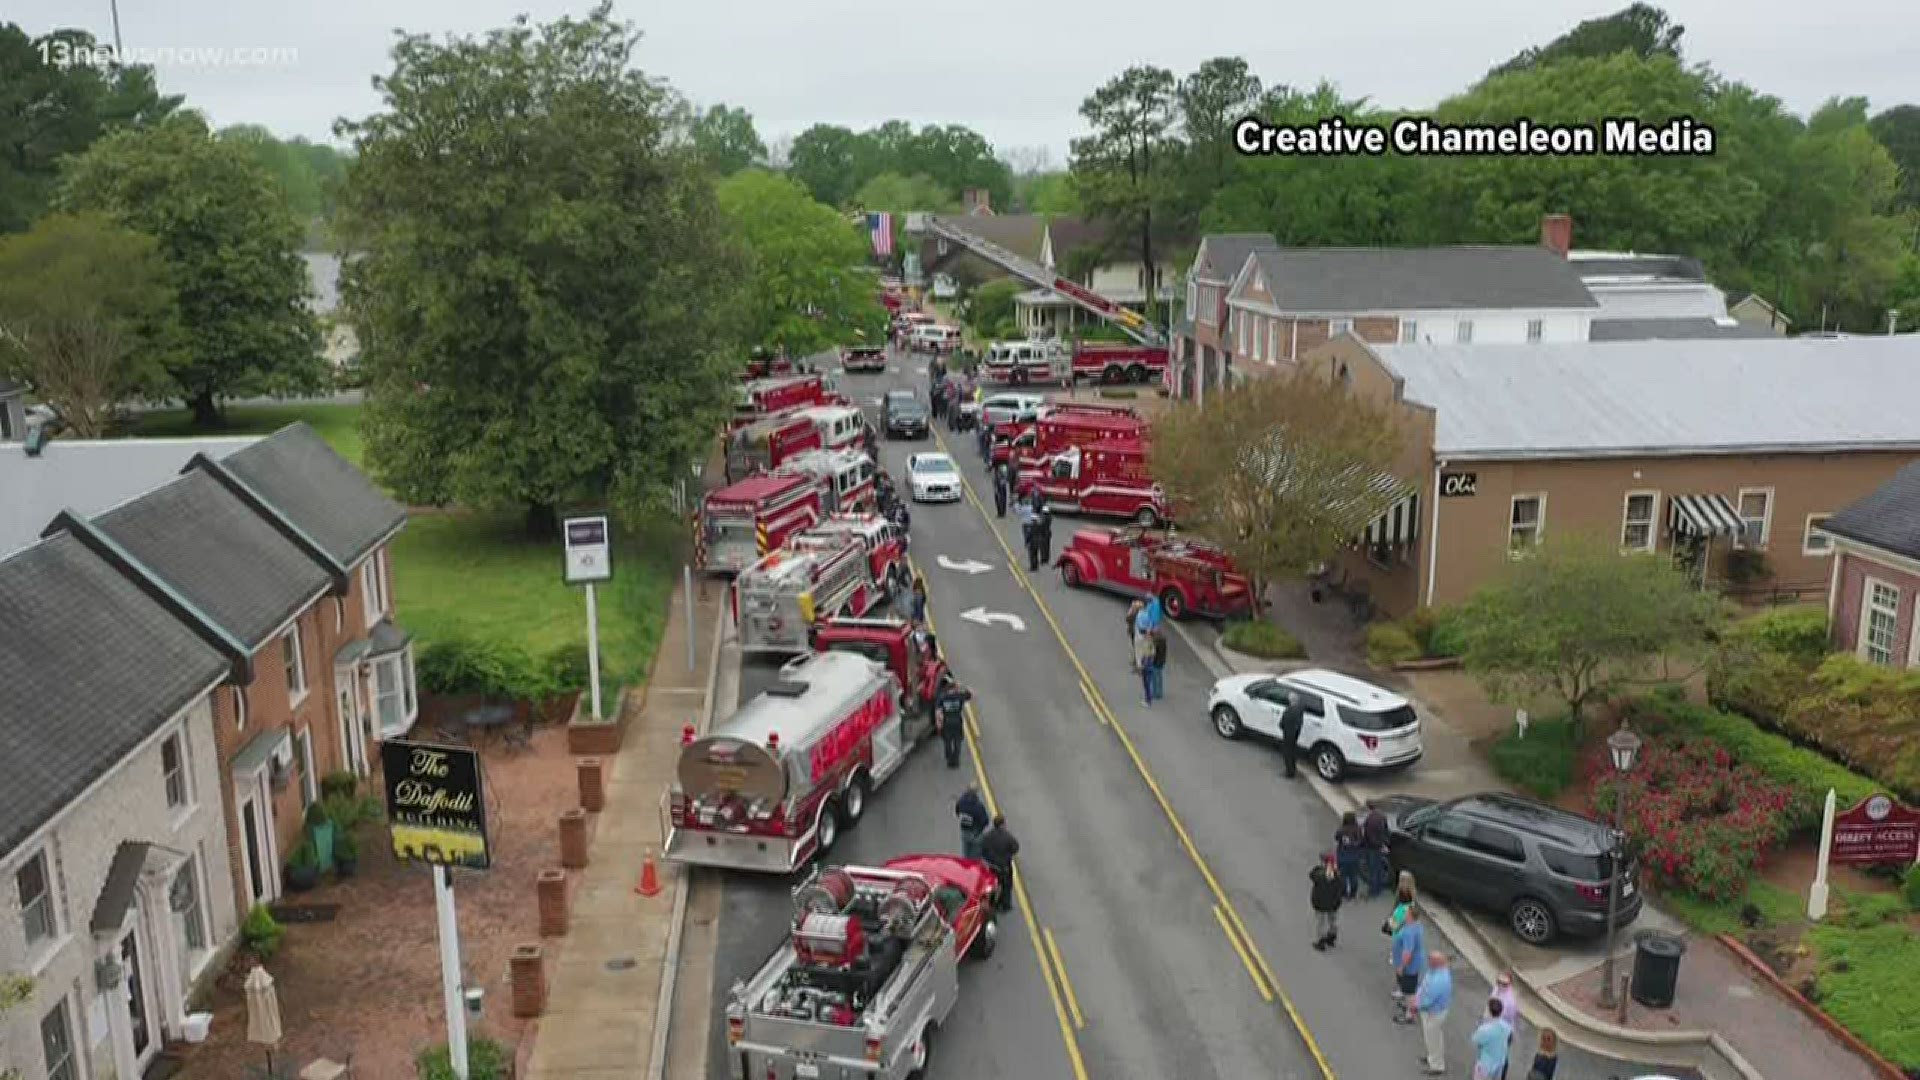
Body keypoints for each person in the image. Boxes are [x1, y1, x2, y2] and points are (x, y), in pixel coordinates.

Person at [1414, 949, 1452, 1075]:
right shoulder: (1434, 971)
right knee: (1433, 1038)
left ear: (1437, 963)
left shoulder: (1439, 980)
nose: (1428, 962)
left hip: (1434, 1013)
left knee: (1433, 1038)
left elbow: (1428, 1000)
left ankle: (1437, 1066)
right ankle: (1433, 1057)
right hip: (1431, 1011)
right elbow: (1424, 985)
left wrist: (1416, 1005)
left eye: (1431, 960)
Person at [1391, 905, 1426, 1025]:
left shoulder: (1409, 932)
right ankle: (1408, 1005)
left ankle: (1409, 1015)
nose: (1405, 914)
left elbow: (1407, 952)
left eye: (1406, 913)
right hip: (1415, 963)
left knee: (1410, 990)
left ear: (1410, 916)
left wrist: (1402, 966)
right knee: (1408, 988)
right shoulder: (1416, 925)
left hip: (1409, 966)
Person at [979, 815, 1020, 911]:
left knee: (992, 885)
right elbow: (1015, 848)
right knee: (1006, 886)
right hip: (1003, 866)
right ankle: (1005, 905)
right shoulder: (1007, 837)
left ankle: (991, 902)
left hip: (991, 866)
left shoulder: (987, 836)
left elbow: (982, 849)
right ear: (1003, 824)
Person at [1308, 850, 1343, 950]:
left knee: (1321, 923)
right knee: (1332, 920)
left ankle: (1321, 942)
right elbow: (1341, 888)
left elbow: (1312, 875)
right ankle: (1332, 936)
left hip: (1320, 903)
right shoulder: (1337, 875)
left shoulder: (1319, 873)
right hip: (1333, 904)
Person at [934, 676, 971, 768]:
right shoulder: (959, 696)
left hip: (947, 722)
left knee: (947, 741)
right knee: (957, 741)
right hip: (957, 721)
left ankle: (950, 760)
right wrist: (962, 687)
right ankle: (956, 760)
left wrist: (939, 723)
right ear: (955, 688)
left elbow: (938, 711)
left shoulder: (942, 697)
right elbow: (969, 694)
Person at [1473, 997, 1512, 1080]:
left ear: (1489, 1012)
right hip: (1500, 1062)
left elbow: (1476, 1040)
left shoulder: (1484, 1029)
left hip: (1486, 1064)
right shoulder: (1507, 1027)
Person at [1490, 971, 1519, 1079]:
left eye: (1504, 984)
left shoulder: (1510, 1002)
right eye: (1499, 982)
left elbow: (1507, 1018)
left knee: (1502, 1057)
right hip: (1494, 1027)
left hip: (1503, 1032)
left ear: (1509, 984)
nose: (1501, 985)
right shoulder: (1496, 989)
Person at [1361, 805, 1392, 898]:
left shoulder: (1370, 819)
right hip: (1379, 846)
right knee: (1378, 868)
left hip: (1372, 847)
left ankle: (1373, 891)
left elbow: (1368, 835)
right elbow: (1386, 831)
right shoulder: (1382, 817)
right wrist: (1385, 844)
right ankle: (1380, 886)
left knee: (1373, 869)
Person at [1334, 811, 1365, 900]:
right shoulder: (1357, 829)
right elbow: (1360, 841)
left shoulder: (1341, 829)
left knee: (1343, 876)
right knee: (1354, 876)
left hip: (1342, 856)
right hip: (1354, 856)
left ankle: (1344, 893)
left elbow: (1336, 838)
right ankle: (1353, 893)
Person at [954, 785, 989, 859]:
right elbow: (985, 821)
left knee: (966, 853)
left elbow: (957, 813)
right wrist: (980, 830)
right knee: (975, 857)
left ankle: (966, 866)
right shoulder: (978, 806)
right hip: (975, 832)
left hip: (965, 831)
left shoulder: (961, 802)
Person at [1278, 690, 1305, 778]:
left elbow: (1283, 722)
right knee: (1293, 751)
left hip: (1288, 733)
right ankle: (1293, 768)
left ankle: (1289, 772)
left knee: (1287, 752)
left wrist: (1282, 726)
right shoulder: (1300, 708)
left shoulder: (1289, 711)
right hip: (1295, 733)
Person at [1125, 600, 1145, 672]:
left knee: (1136, 647)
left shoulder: (1134, 614)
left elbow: (1127, 619)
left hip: (1135, 633)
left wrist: (1131, 610)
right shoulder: (1144, 614)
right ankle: (1136, 660)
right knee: (1137, 647)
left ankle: (1138, 665)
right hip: (1140, 633)